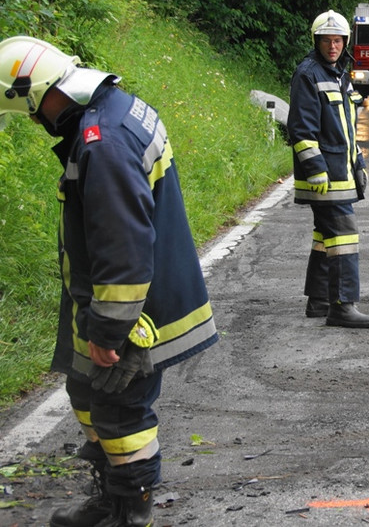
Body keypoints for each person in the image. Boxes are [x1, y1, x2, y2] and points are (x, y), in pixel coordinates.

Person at [0, 36, 219, 527]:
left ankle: (131, 513)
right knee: (86, 393)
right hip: (111, 299)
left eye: (28, 112)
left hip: (132, 310)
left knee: (120, 412)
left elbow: (122, 247)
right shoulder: (115, 109)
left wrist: (111, 331)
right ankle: (110, 500)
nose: (33, 123)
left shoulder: (105, 143)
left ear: (36, 95)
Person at [288, 11, 369, 328]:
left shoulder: (340, 74)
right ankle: (342, 305)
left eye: (337, 40)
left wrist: (359, 163)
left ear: (345, 41)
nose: (332, 46)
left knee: (325, 236)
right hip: (325, 175)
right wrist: (315, 169)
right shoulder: (308, 74)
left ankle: (320, 300)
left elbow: (346, 129)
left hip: (341, 172)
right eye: (326, 40)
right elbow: (301, 129)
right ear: (317, 41)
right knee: (344, 236)